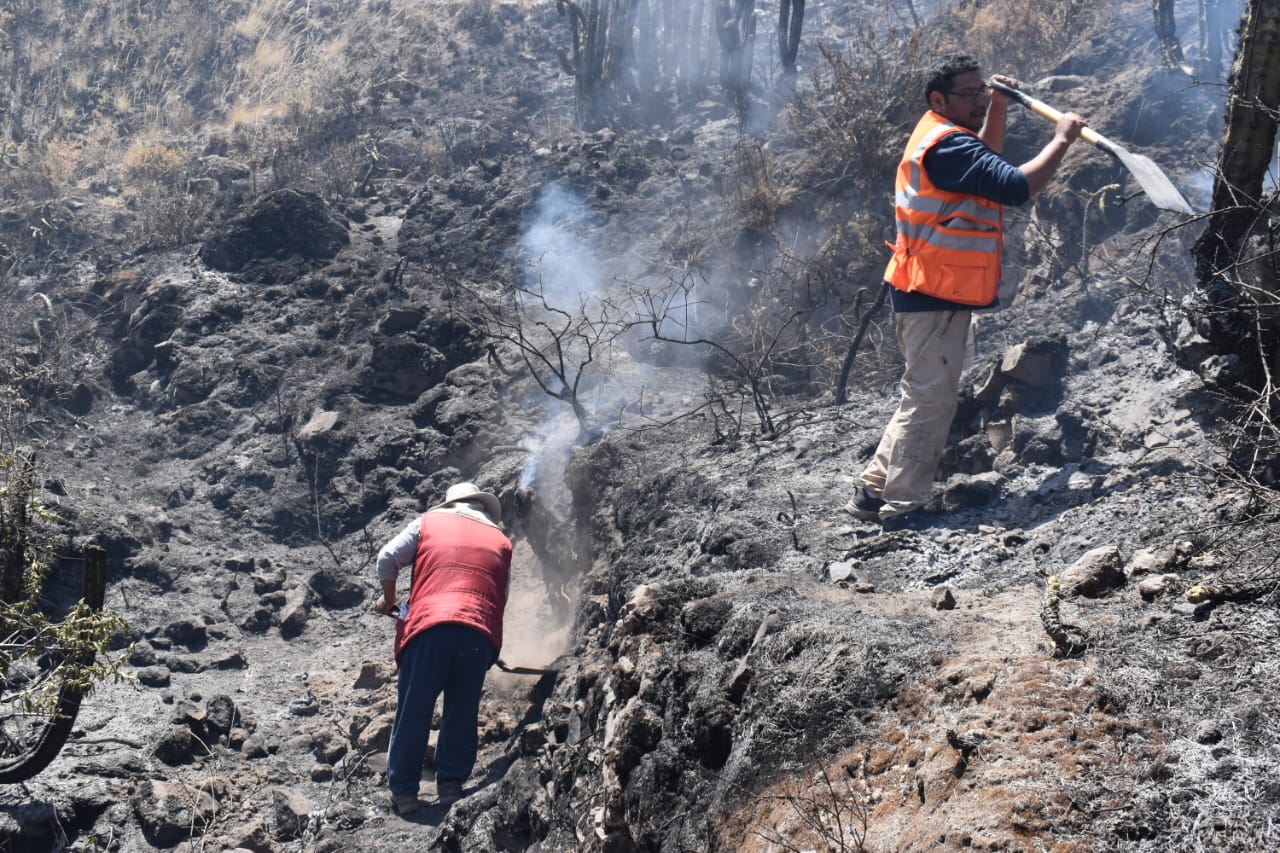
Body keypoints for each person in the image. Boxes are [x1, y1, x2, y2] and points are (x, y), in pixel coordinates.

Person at [849, 53, 1086, 531]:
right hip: (931, 292)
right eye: (970, 94)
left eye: (983, 91)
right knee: (931, 400)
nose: (978, 100)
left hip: (932, 288)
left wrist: (997, 106)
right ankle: (903, 508)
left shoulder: (945, 137)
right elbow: (1016, 186)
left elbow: (985, 161)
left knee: (922, 394)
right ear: (939, 99)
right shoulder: (946, 145)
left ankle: (873, 491)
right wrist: (1062, 140)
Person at [372, 481, 512, 816]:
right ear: (482, 509)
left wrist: (389, 601)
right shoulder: (502, 541)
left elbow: (386, 558)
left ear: (450, 504)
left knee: (415, 707)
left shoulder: (428, 522)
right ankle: (450, 785)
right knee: (462, 709)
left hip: (429, 627)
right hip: (478, 632)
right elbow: (500, 597)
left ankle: (405, 794)